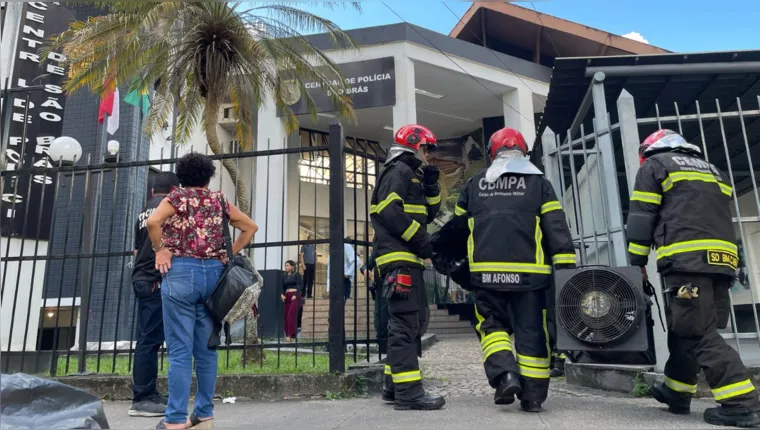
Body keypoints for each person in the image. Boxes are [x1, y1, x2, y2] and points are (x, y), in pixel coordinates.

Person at [627, 129, 760, 428]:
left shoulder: (655, 166)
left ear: (648, 150)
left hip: (686, 261)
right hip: (723, 261)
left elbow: (641, 215)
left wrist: (637, 262)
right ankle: (676, 391)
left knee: (699, 332)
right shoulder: (714, 170)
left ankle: (742, 404)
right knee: (686, 326)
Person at [439, 127, 575, 412]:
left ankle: (505, 376)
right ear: (524, 151)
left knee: (492, 327)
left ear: (492, 152)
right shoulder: (539, 184)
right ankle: (533, 396)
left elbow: (457, 231)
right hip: (531, 277)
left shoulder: (476, 183)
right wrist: (565, 271)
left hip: (486, 276)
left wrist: (452, 263)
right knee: (532, 332)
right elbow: (556, 229)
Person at [146, 153, 258, 430]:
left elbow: (152, 223)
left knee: (180, 351)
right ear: (209, 176)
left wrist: (160, 250)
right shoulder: (219, 201)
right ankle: (204, 413)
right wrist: (229, 253)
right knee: (207, 348)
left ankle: (174, 419)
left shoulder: (175, 198)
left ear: (181, 176)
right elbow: (250, 227)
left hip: (181, 273)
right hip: (214, 277)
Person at [369, 124, 444, 411]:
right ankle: (409, 394)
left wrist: (432, 186)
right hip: (399, 258)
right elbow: (389, 211)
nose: (428, 154)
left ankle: (393, 386)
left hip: (405, 259)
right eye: (426, 148)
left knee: (408, 325)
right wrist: (421, 240)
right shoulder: (398, 170)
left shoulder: (410, 174)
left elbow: (428, 213)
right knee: (404, 326)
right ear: (414, 143)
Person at [129, 171, 179, 417]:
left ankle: (149, 392)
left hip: (141, 276)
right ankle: (142, 398)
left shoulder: (143, 211)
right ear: (174, 190)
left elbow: (137, 248)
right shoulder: (168, 206)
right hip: (152, 279)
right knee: (149, 339)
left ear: (153, 191)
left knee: (149, 337)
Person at [360, 247, 391, 398]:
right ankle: (383, 346)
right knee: (381, 320)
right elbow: (365, 265)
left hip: (394, 284)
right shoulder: (378, 250)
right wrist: (366, 270)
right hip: (380, 288)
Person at [281, 260, 303, 342]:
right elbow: (282, 286)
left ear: (292, 267)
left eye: (287, 265)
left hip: (295, 295)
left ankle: (291, 334)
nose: (286, 267)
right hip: (287, 296)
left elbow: (300, 285)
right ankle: (288, 335)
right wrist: (281, 294)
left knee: (291, 314)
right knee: (286, 315)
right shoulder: (284, 276)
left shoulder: (297, 275)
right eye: (285, 265)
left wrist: (296, 294)